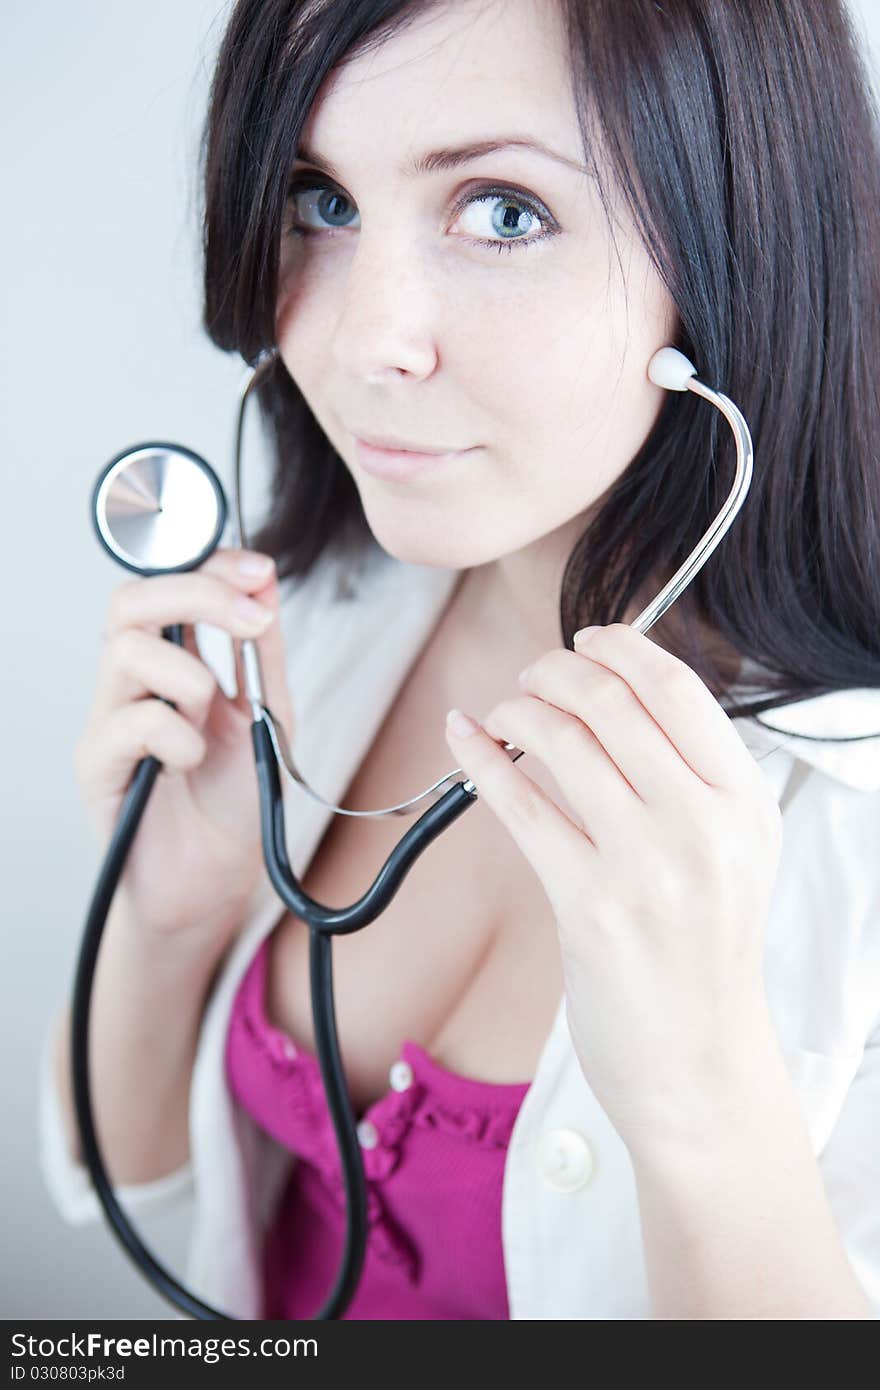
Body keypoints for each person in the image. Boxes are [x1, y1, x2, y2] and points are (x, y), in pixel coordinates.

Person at [40, 0, 880, 1319]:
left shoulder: (854, 826)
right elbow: (145, 1212)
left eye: (501, 211)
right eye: (320, 199)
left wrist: (706, 1097)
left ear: (739, 240)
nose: (367, 339)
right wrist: (164, 919)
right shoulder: (306, 621)